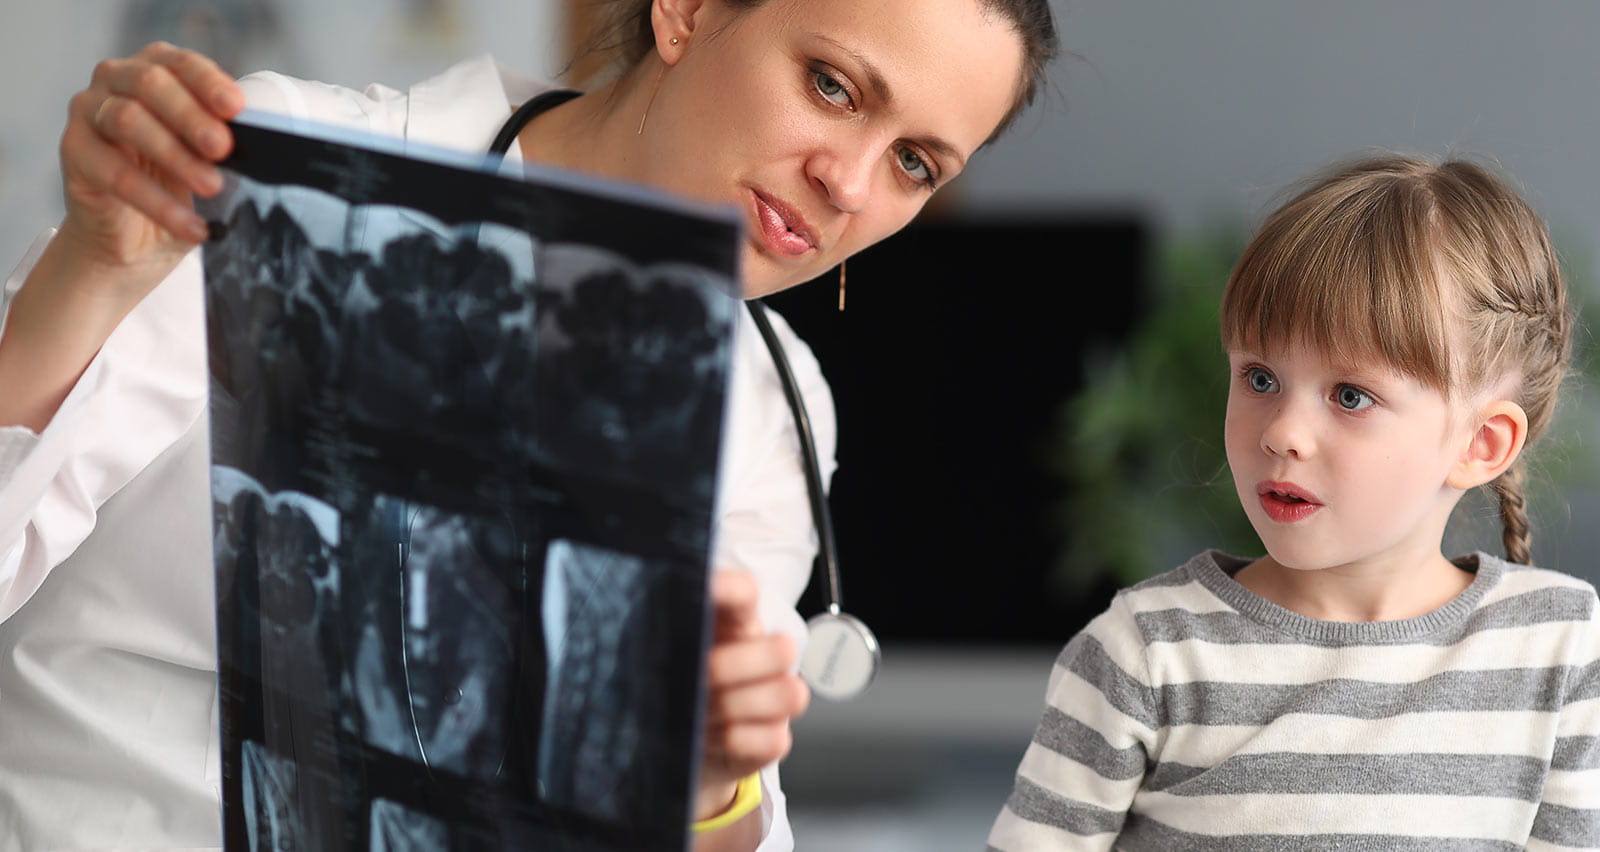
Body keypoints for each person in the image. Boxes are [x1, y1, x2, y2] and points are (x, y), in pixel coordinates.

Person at [0, 0, 1058, 849]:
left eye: (916, 164)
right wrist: (88, 279)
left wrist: (705, 788)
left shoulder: (769, 411)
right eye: (831, 86)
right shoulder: (289, 172)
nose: (848, 182)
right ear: (685, 12)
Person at [987, 155, 1600, 850]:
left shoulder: (1559, 646)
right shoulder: (1147, 652)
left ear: (1480, 445)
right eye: (1259, 377)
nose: (1281, 432)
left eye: (1350, 396)